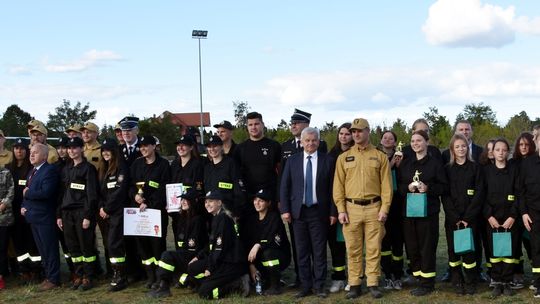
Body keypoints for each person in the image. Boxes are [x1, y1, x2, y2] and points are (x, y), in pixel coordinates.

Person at [333, 119, 392, 299]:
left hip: (374, 208)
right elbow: (338, 186)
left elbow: (387, 186)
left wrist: (385, 208)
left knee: (374, 248)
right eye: (353, 131)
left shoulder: (379, 156)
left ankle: (373, 282)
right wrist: (341, 209)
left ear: (368, 131)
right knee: (353, 248)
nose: (356, 134)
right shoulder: (343, 158)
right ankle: (355, 284)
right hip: (351, 209)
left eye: (359, 131)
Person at [281, 127, 336, 299]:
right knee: (302, 251)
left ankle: (319, 285)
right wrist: (285, 210)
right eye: (307, 140)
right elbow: (284, 186)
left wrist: (333, 212)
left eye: (314, 140)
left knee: (319, 251)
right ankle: (305, 286)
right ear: (302, 142)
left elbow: (334, 189)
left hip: (319, 212)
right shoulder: (292, 161)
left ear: (318, 142)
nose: (311, 143)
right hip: (298, 213)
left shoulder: (328, 160)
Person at [398, 130, 448, 296]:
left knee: (427, 247)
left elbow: (443, 187)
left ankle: (427, 284)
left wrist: (428, 188)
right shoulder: (406, 163)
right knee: (412, 247)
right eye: (412, 141)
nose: (415, 144)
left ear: (427, 142)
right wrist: (408, 188)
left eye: (419, 140)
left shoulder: (435, 163)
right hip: (410, 212)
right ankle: (419, 278)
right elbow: (399, 187)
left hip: (428, 213)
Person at [187, 190, 249, 299]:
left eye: (211, 201)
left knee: (204, 293)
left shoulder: (223, 219)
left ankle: (237, 284)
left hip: (231, 263)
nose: (207, 204)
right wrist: (198, 256)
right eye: (206, 202)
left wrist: (210, 268)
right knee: (193, 267)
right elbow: (212, 244)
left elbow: (220, 249)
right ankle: (211, 282)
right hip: (222, 260)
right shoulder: (217, 217)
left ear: (219, 203)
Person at [442, 134, 483, 295]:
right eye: (457, 146)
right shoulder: (447, 169)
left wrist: (467, 218)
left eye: (463, 146)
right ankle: (457, 281)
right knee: (453, 251)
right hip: (453, 219)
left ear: (468, 148)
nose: (461, 149)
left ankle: (471, 281)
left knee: (469, 252)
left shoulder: (475, 168)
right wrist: (454, 217)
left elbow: (479, 193)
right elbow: (445, 195)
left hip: (470, 219)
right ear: (452, 149)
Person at [57, 137, 99, 291]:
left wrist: (88, 216)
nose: (71, 151)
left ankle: (89, 276)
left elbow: (92, 194)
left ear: (81, 149)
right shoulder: (66, 169)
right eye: (69, 148)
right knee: (73, 247)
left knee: (86, 246)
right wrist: (59, 215)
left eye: (74, 148)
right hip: (67, 213)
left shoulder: (88, 168)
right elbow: (61, 194)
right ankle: (79, 275)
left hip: (82, 212)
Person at [149, 188, 208, 298]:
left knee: (167, 255)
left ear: (194, 201)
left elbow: (194, 246)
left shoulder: (198, 220)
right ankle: (163, 284)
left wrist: (193, 257)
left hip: (194, 256)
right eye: (182, 200)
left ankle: (163, 287)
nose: (183, 202)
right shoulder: (183, 217)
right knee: (172, 268)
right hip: (186, 255)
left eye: (186, 199)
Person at [129, 135, 170, 289]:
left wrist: (149, 203)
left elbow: (163, 188)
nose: (143, 149)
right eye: (141, 146)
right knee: (143, 245)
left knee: (157, 246)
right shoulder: (137, 164)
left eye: (146, 146)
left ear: (154, 146)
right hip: (139, 213)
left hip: (156, 212)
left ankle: (161, 277)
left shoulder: (163, 164)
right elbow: (131, 184)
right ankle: (150, 275)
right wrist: (135, 196)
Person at [21, 143, 61, 291]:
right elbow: (26, 190)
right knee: (43, 250)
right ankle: (48, 276)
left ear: (44, 156)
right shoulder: (32, 171)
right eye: (31, 152)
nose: (31, 155)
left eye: (35, 153)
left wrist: (27, 194)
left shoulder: (49, 171)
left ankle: (54, 279)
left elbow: (46, 193)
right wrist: (23, 207)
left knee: (50, 249)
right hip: (33, 217)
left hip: (45, 218)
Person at [483, 138, 519, 297]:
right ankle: (497, 281)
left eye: (504, 150)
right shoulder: (486, 172)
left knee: (509, 251)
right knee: (495, 250)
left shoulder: (514, 171)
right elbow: (481, 196)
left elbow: (519, 194)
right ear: (493, 152)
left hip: (510, 220)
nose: (501, 153)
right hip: (493, 220)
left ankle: (507, 281)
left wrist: (513, 216)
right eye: (498, 150)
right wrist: (489, 216)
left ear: (508, 152)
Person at [6, 138, 42, 284]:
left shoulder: (31, 168)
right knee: (18, 242)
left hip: (29, 210)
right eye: (16, 148)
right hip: (13, 212)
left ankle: (36, 271)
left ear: (26, 151)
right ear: (13, 150)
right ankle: (24, 271)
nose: (19, 151)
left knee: (32, 241)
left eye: (21, 148)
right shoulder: (8, 168)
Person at [245, 189, 291, 295]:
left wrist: (258, 245)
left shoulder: (274, 218)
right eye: (255, 200)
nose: (257, 203)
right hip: (259, 258)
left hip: (279, 256)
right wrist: (251, 265)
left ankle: (276, 286)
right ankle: (265, 280)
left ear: (268, 203)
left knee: (268, 253)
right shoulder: (252, 220)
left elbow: (274, 242)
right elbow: (248, 243)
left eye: (261, 200)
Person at [98, 138, 130, 291]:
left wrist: (107, 209)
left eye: (108, 150)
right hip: (106, 213)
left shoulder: (121, 167)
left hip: (118, 212)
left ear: (114, 151)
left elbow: (120, 191)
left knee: (114, 243)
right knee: (110, 244)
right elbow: (100, 192)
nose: (105, 153)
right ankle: (116, 273)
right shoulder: (104, 169)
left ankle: (121, 276)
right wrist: (101, 208)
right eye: (103, 150)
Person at [326, 122, 353, 293]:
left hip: (353, 205)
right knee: (336, 245)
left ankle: (353, 277)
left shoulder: (356, 154)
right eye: (341, 133)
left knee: (353, 245)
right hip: (335, 206)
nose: (344, 137)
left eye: (347, 134)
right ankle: (338, 278)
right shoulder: (331, 156)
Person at [379, 130, 405, 291]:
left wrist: (399, 165)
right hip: (382, 204)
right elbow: (379, 176)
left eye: (391, 138)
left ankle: (398, 275)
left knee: (398, 242)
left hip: (398, 203)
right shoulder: (377, 156)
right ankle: (387, 275)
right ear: (381, 141)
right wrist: (391, 165)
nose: (388, 140)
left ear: (395, 143)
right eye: (385, 137)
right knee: (384, 242)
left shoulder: (401, 156)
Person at [510, 132, 536, 289]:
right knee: (515, 245)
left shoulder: (535, 162)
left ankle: (536, 275)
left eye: (527, 144)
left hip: (529, 210)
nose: (524, 147)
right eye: (521, 144)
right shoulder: (512, 163)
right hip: (513, 210)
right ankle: (517, 274)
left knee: (532, 244)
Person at [169, 135, 204, 250]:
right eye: (178, 145)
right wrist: (170, 204)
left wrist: (188, 202)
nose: (180, 148)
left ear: (191, 147)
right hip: (176, 212)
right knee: (179, 242)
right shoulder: (174, 164)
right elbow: (169, 187)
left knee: (192, 244)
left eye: (183, 145)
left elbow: (199, 188)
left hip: (192, 212)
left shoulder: (197, 164)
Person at [519, 132, 540, 298]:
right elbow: (521, 191)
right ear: (537, 141)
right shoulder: (528, 164)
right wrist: (524, 213)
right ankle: (539, 283)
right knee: (537, 249)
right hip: (534, 214)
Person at [204, 135, 245, 217]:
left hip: (229, 211)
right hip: (212, 212)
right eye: (209, 147)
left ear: (221, 146)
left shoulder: (230, 163)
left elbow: (238, 189)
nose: (212, 149)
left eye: (215, 146)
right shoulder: (207, 168)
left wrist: (235, 211)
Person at [0, 162, 15, 289]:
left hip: (3, 217)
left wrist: (4, 204)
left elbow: (11, 189)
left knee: (1, 248)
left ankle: (1, 277)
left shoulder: (5, 172)